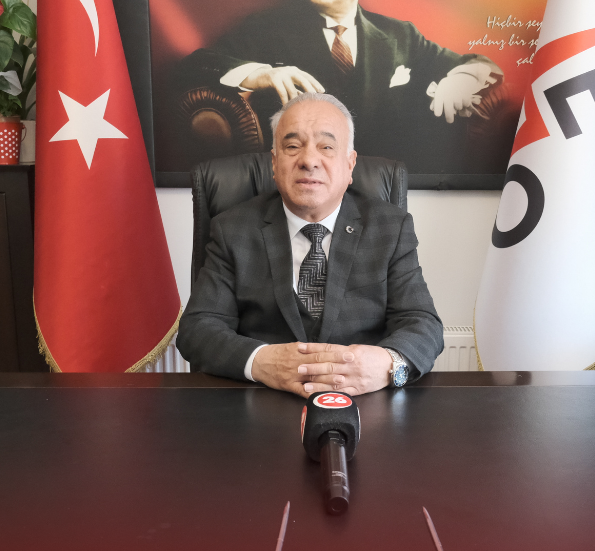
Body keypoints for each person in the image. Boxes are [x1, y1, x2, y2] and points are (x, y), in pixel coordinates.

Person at [177, 93, 443, 397]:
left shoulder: (390, 227)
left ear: (349, 164)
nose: (308, 161)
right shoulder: (233, 229)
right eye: (292, 146)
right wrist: (261, 361)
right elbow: (198, 329)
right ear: (274, 163)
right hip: (263, 402)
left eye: (326, 147)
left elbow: (423, 324)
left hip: (363, 404)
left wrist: (388, 364)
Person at [175, 0, 501, 171]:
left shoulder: (400, 35)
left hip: (382, 190)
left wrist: (461, 79)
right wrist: (260, 74)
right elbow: (194, 65)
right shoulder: (267, 29)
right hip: (302, 184)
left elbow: (480, 64)